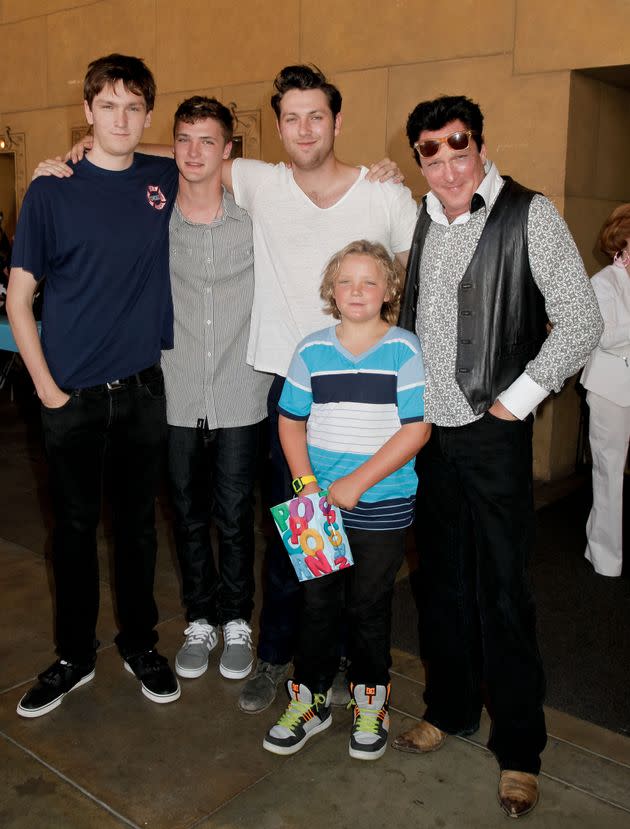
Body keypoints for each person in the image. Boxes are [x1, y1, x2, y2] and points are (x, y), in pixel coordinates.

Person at [393, 95, 603, 816]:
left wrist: (517, 400)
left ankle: (520, 746)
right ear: (418, 156)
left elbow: (581, 320)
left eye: (459, 147)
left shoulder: (528, 213)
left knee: (505, 592)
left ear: (480, 144)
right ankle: (450, 707)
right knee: (440, 583)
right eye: (431, 151)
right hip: (427, 433)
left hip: (491, 429)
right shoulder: (419, 216)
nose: (448, 164)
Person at [223, 65, 418, 713]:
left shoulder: (384, 195)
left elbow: (418, 280)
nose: (304, 128)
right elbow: (188, 152)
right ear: (276, 127)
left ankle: (335, 656)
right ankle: (278, 656)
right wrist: (92, 149)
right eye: (291, 117)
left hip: (368, 391)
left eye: (316, 116)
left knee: (357, 542)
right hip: (294, 395)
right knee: (297, 533)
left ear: (337, 121)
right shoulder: (261, 181)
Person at [7, 54, 181, 717]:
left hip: (141, 392)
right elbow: (20, 299)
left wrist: (120, 142)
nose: (120, 119)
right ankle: (73, 657)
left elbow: (213, 157)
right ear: (86, 110)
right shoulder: (51, 190)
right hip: (71, 395)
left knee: (138, 529)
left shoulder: (162, 175)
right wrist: (48, 390)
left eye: (134, 106)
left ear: (147, 114)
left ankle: (141, 644)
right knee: (74, 531)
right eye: (106, 106)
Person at [263, 240, 429, 760]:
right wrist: (305, 484)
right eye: (346, 282)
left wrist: (357, 482)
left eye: (369, 281)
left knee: (368, 607)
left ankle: (369, 698)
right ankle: (309, 699)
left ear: (389, 291)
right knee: (317, 605)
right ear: (331, 292)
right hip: (317, 508)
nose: (357, 291)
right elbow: (290, 420)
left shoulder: (404, 349)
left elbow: (417, 429)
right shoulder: (311, 350)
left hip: (384, 504)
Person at [165, 96, 271, 680]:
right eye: (184, 139)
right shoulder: (155, 218)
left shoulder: (255, 220)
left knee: (234, 514)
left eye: (208, 140)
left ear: (228, 150)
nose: (194, 151)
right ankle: (199, 619)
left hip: (240, 389)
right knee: (185, 512)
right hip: (176, 388)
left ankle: (236, 620)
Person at [580, 204, 630, 578]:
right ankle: (605, 556)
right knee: (609, 472)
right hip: (610, 389)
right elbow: (605, 337)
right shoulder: (604, 282)